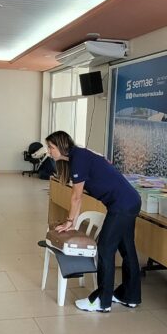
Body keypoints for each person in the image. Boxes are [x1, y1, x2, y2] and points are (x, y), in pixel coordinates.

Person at [47, 130, 141, 313]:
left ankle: (102, 301)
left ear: (61, 145)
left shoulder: (78, 159)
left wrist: (70, 222)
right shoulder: (78, 157)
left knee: (106, 249)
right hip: (129, 201)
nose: (49, 151)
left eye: (51, 147)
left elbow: (76, 197)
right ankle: (130, 296)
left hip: (122, 205)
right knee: (127, 249)